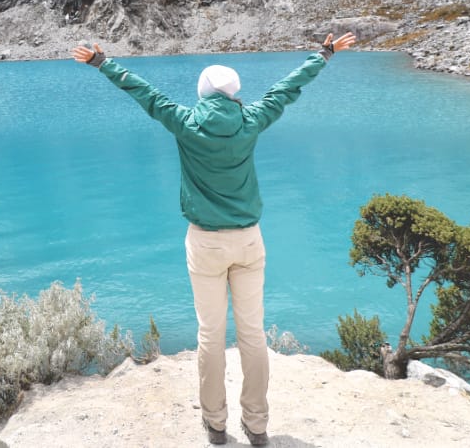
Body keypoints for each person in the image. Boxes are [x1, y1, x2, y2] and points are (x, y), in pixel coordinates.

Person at [70, 33, 356, 446]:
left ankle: (216, 424)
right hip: (249, 241)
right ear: (233, 92)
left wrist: (102, 62)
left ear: (203, 92)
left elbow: (144, 92)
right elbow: (287, 88)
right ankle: (257, 425)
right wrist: (324, 54)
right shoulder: (251, 119)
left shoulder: (185, 122)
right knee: (253, 335)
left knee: (210, 334)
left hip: (205, 242)